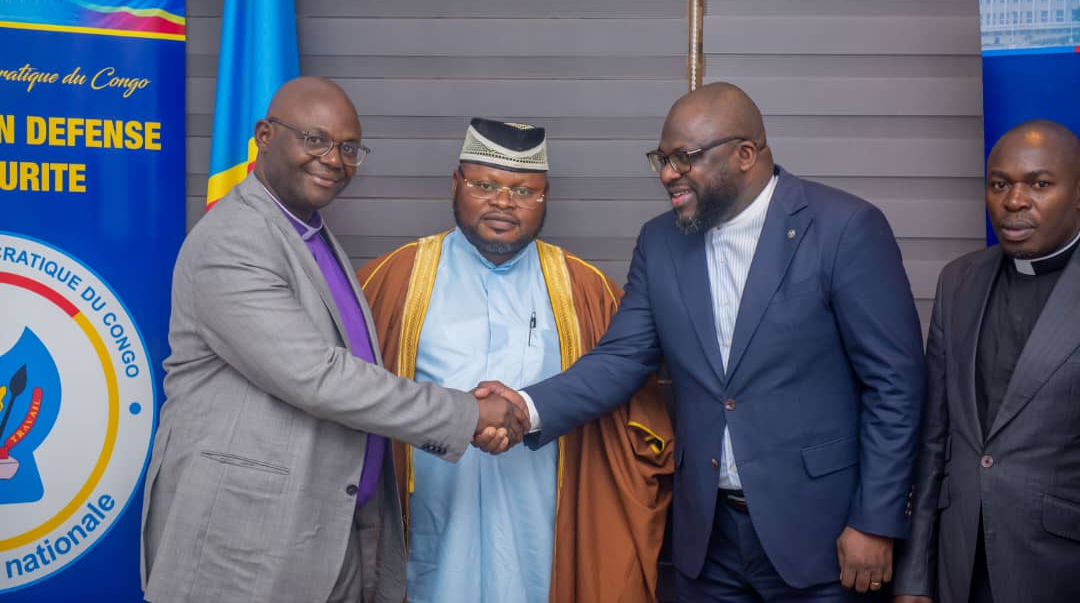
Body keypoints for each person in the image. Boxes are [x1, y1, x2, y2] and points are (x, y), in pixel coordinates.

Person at [481, 82, 926, 600]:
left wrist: (875, 520)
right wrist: (525, 408)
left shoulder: (844, 228)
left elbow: (895, 385)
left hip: (822, 536)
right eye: (662, 159)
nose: (667, 174)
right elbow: (622, 358)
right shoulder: (660, 241)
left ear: (745, 155)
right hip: (708, 541)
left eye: (684, 158)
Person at [140, 77, 527, 603]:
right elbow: (317, 376)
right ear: (264, 136)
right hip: (245, 540)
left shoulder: (308, 231)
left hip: (329, 530)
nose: (333, 160)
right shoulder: (235, 239)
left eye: (348, 148)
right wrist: (469, 414)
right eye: (315, 139)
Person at [357, 117, 674, 603]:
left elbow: (635, 418)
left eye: (524, 191)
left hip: (544, 525)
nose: (504, 202)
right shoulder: (392, 281)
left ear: (546, 198)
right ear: (455, 184)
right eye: (485, 185)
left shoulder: (588, 291)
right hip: (432, 518)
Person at [892, 120, 1080, 603]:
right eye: (999, 185)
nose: (1014, 201)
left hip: (1058, 566)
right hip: (961, 562)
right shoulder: (959, 281)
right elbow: (934, 440)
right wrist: (914, 577)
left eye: (1039, 184)